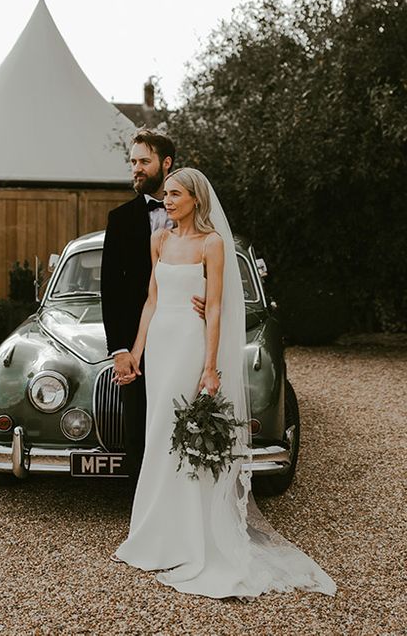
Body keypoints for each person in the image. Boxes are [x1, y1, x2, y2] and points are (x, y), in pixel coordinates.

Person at [111, 167, 336, 598]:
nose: (169, 200)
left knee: (186, 437)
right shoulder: (159, 239)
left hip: (191, 346)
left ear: (196, 198)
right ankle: (155, 534)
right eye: (167, 195)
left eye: (176, 194)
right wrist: (136, 352)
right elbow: (151, 300)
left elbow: (214, 308)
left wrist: (210, 366)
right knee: (158, 433)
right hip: (160, 345)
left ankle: (193, 539)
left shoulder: (213, 244)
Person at [100, 129, 203, 475]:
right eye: (133, 162)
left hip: (186, 338)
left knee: (188, 426)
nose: (136, 169)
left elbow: (213, 273)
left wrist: (207, 300)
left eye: (144, 161)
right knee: (139, 435)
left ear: (166, 163)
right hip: (137, 346)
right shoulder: (119, 220)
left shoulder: (196, 218)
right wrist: (120, 350)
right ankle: (144, 518)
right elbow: (111, 290)